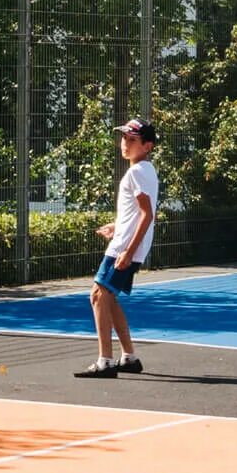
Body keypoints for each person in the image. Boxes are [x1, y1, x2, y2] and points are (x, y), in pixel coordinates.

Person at [77, 117, 158, 378]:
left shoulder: (138, 171)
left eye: (132, 140)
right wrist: (117, 226)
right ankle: (129, 357)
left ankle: (105, 362)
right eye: (124, 138)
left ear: (147, 146)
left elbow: (147, 215)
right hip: (123, 242)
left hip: (124, 248)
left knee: (98, 296)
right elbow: (136, 213)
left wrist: (127, 249)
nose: (125, 143)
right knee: (106, 298)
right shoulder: (143, 170)